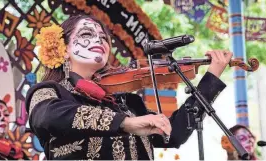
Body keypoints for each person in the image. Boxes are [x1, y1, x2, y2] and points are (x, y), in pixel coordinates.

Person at [25, 14, 232, 160]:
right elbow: (48, 116)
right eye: (87, 34)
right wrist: (125, 123)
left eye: (103, 37)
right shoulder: (50, 92)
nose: (99, 39)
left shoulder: (125, 102)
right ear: (63, 50)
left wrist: (211, 78)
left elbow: (175, 133)